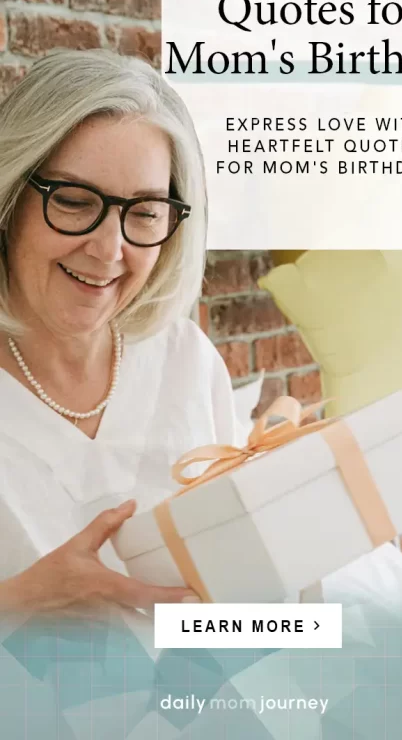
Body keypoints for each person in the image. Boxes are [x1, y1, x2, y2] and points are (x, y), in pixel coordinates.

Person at [0, 48, 239, 619]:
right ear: (9, 201)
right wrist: (22, 601)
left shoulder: (186, 362)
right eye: (76, 202)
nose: (110, 250)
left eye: (146, 213)